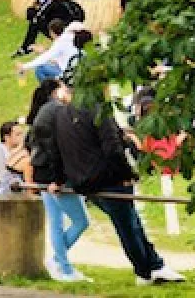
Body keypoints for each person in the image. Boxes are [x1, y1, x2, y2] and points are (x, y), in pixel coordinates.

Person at [45, 82, 186, 285]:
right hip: (107, 178)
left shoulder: (61, 114)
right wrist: (126, 173)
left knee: (130, 222)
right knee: (128, 225)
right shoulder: (98, 110)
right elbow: (113, 148)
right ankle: (145, 270)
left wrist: (58, 178)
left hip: (84, 181)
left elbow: (56, 150)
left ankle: (154, 264)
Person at [30, 80, 91, 282]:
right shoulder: (57, 111)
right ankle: (60, 263)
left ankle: (62, 264)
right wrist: (58, 178)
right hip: (52, 175)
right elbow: (56, 149)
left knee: (56, 222)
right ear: (57, 92)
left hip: (43, 173)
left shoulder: (45, 112)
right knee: (80, 221)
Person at [15, 0, 85, 57]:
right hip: (65, 28)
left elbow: (34, 16)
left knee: (35, 22)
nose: (34, 0)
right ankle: (26, 47)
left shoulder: (49, 4)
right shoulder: (52, 2)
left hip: (64, 31)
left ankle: (25, 47)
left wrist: (34, 10)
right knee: (36, 22)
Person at [18, 20, 82, 82]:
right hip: (79, 72)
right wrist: (44, 51)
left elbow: (44, 59)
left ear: (52, 32)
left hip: (70, 74)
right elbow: (57, 57)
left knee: (40, 68)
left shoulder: (60, 42)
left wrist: (24, 66)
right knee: (50, 64)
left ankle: (49, 89)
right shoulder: (71, 37)